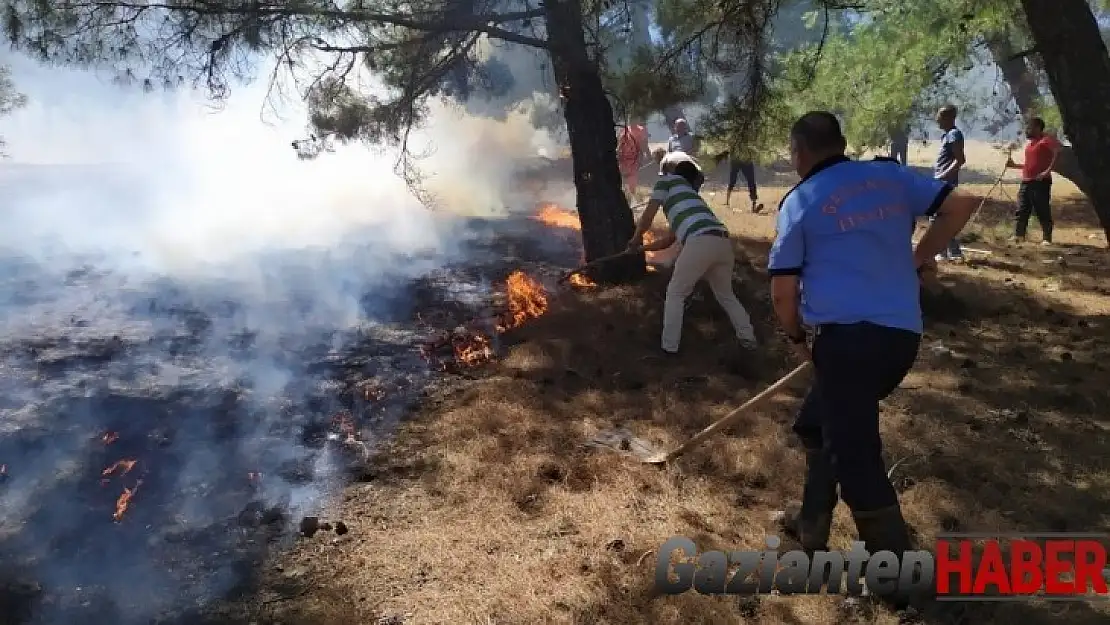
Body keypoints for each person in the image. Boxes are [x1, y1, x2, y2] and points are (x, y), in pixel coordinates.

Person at [768, 111, 977, 603]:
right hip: (900, 338)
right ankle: (811, 527)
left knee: (855, 454)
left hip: (845, 344)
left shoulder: (799, 201)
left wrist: (797, 338)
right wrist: (917, 257)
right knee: (817, 424)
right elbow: (959, 204)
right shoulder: (888, 176)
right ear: (841, 143)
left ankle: (895, 579)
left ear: (799, 152)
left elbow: (782, 289)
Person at [626, 158, 758, 354]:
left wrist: (636, 239)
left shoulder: (667, 181)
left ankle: (669, 349)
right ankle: (749, 341)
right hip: (722, 241)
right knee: (726, 296)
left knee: (676, 293)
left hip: (700, 241)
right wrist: (641, 250)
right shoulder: (690, 199)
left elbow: (648, 215)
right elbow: (669, 240)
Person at [1005, 117, 1061, 245]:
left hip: (1041, 182)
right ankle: (1019, 235)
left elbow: (1058, 151)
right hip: (1026, 181)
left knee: (1042, 209)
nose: (1027, 130)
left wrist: (1047, 171)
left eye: (1029, 127)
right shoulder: (1031, 145)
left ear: (1037, 127)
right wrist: (1014, 165)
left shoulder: (1045, 140)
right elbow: (1029, 164)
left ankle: (1046, 238)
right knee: (1022, 208)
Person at [932, 105, 966, 261]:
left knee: (939, 217)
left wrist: (942, 176)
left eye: (939, 116)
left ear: (947, 118)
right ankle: (950, 252)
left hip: (946, 183)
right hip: (941, 182)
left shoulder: (954, 135)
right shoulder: (947, 135)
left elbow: (960, 160)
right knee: (940, 217)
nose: (937, 119)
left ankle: (948, 252)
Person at [617, 120, 650, 198]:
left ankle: (633, 196)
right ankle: (626, 196)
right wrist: (618, 155)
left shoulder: (641, 130)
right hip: (624, 159)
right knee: (624, 179)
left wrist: (648, 155)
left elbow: (644, 144)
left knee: (632, 179)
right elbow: (620, 145)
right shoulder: (624, 130)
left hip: (635, 159)